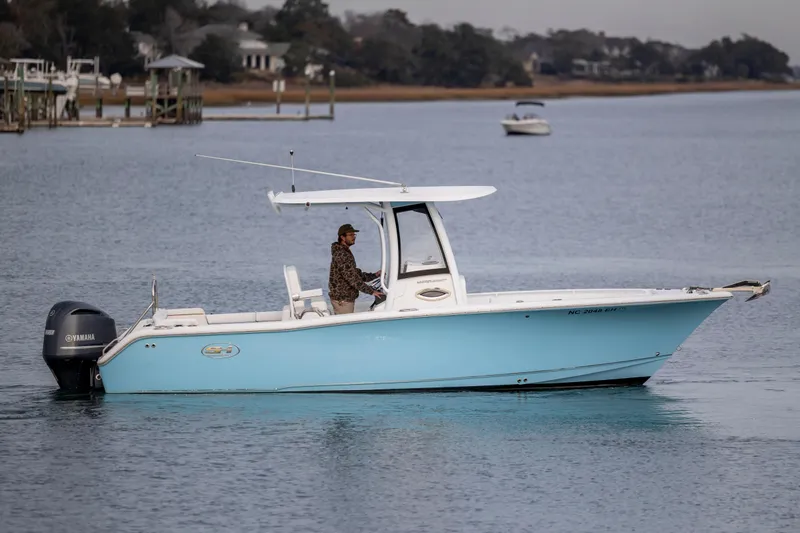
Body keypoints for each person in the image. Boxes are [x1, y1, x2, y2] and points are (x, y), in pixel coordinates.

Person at [329, 223, 384, 314]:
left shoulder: (343, 251)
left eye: (354, 235)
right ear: (342, 237)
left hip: (345, 298)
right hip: (343, 299)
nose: (354, 237)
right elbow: (352, 278)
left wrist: (374, 275)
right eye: (350, 235)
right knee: (345, 326)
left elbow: (354, 273)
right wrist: (371, 291)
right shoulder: (341, 254)